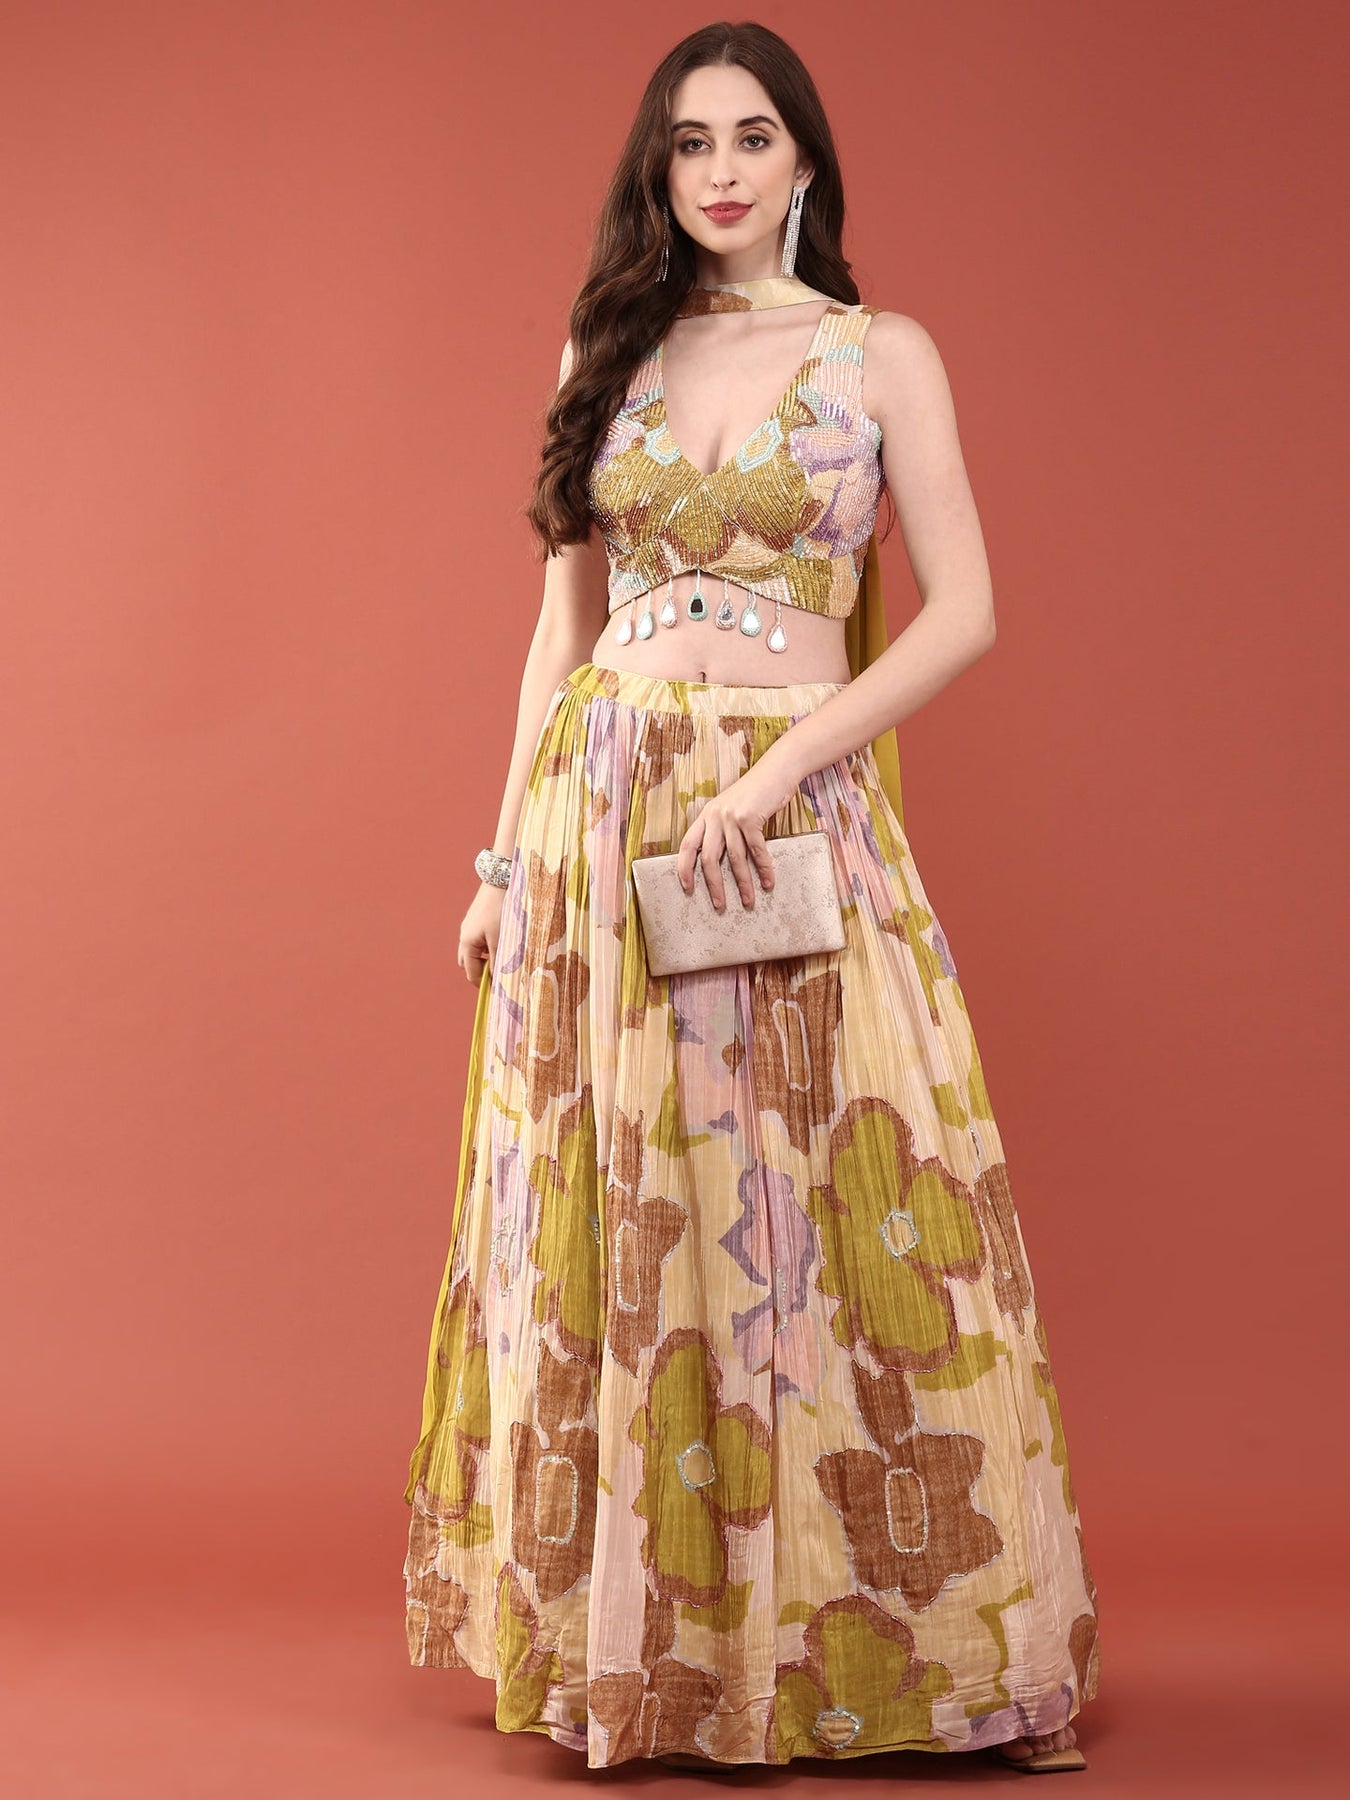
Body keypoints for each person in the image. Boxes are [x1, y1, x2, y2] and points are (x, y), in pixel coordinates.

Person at [401, 19, 1099, 1775]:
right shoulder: (609, 344)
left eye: (752, 137)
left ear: (804, 161)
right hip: (599, 817)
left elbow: (962, 610)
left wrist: (779, 770)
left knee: (831, 1196)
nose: (718, 171)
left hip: (781, 808)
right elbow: (560, 635)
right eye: (689, 142)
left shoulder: (879, 353)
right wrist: (498, 865)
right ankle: (652, 1662)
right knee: (630, 1210)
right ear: (659, 169)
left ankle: (907, 1656)